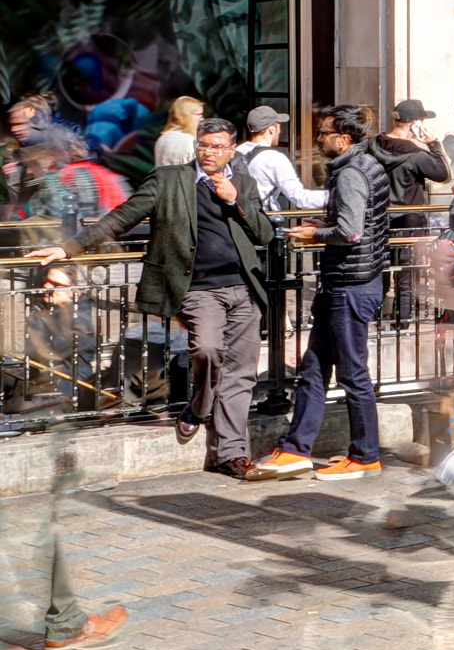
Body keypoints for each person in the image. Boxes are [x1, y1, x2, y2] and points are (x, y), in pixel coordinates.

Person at [27, 119, 276, 477]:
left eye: (218, 147)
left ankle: (231, 454)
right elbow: (122, 218)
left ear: (231, 150)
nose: (209, 153)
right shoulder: (169, 179)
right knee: (207, 350)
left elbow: (264, 233)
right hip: (197, 288)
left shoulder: (243, 182)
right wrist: (69, 249)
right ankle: (199, 405)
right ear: (196, 145)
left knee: (240, 373)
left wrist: (235, 200)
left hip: (242, 287)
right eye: (204, 145)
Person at [267, 105, 393, 481]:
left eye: (323, 133)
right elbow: (360, 224)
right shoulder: (363, 167)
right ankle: (295, 448)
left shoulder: (352, 172)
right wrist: (327, 225)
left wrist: (315, 234)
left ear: (345, 138)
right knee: (314, 367)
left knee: (353, 373)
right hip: (348, 281)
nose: (318, 139)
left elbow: (353, 232)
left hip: (350, 284)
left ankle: (365, 454)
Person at [370, 99, 451, 327]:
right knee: (407, 270)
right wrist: (434, 144)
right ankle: (403, 319)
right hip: (408, 220)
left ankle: (376, 316)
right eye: (422, 120)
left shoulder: (373, 145)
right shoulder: (416, 154)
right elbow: (443, 174)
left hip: (378, 218)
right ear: (415, 123)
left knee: (380, 267)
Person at [235, 105, 329, 213]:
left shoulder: (237, 151)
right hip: (261, 219)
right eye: (279, 126)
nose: (280, 131)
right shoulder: (273, 158)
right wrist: (337, 196)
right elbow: (300, 198)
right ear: (271, 129)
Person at [155, 95, 205, 167]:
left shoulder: (163, 137)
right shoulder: (190, 141)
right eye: (198, 115)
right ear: (186, 115)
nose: (202, 119)